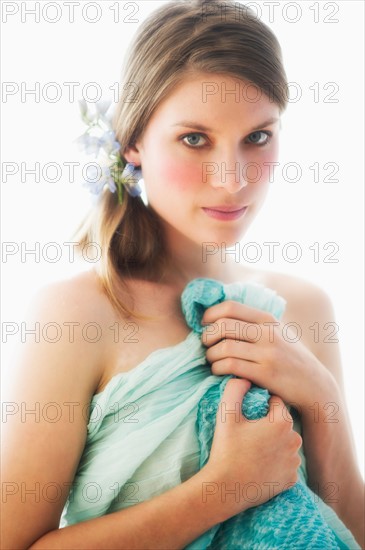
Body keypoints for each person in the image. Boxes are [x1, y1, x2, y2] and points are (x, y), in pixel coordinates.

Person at [2, 1, 364, 548]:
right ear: (134, 143)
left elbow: (350, 535)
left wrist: (322, 397)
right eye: (194, 138)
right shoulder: (80, 313)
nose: (231, 179)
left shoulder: (305, 306)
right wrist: (222, 490)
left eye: (258, 137)